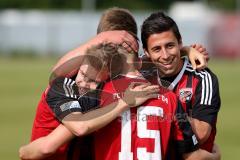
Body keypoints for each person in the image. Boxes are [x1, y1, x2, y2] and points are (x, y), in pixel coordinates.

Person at [19, 7, 213, 160]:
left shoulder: (98, 95)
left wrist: (185, 50)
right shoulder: (167, 98)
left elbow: (154, 56)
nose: (88, 85)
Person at [140, 11, 221, 153]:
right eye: (157, 49)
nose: (165, 55)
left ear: (180, 43)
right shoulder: (140, 75)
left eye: (170, 46)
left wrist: (162, 107)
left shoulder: (202, 77)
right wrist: (187, 50)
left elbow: (201, 133)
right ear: (146, 52)